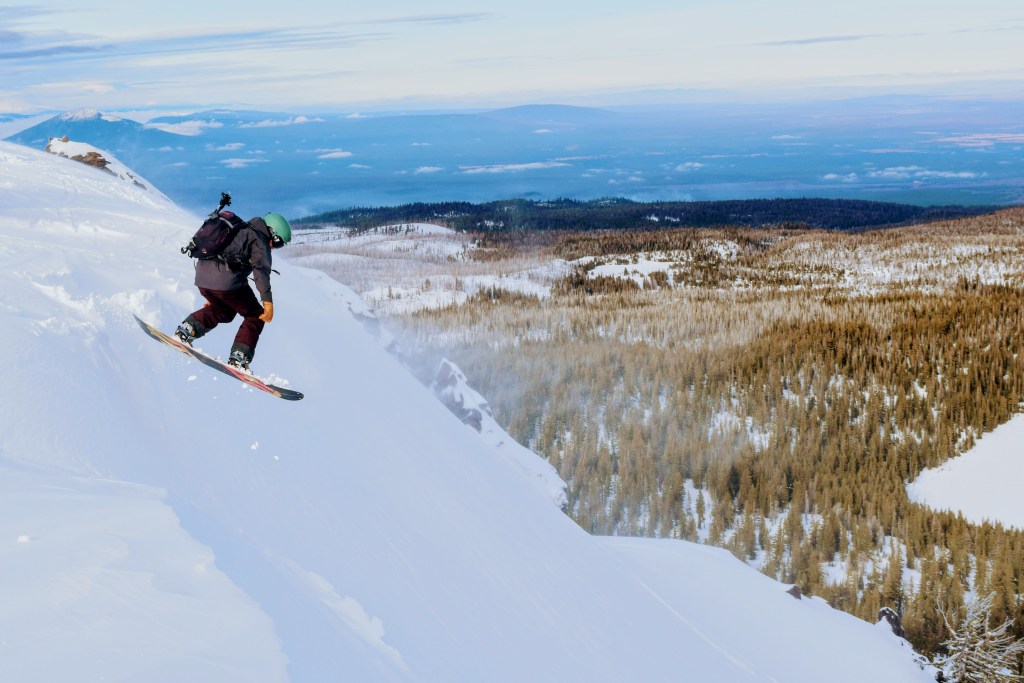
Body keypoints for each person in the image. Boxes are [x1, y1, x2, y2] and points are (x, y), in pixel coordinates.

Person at [175, 212, 292, 370]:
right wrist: (267, 301)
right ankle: (239, 358)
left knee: (224, 311)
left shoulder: (239, 229)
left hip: (202, 278)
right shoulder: (260, 240)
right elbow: (261, 271)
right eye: (278, 243)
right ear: (273, 234)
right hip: (225, 282)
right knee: (256, 315)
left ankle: (187, 330)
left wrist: (213, 295)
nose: (275, 247)